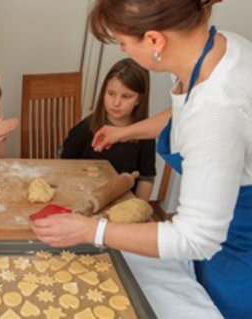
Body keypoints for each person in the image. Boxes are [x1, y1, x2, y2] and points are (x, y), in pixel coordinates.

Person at [32, 0, 252, 318]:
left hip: (240, 249)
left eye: (122, 42)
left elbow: (195, 238)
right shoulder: (219, 48)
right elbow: (186, 112)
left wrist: (91, 230)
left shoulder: (217, 107)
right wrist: (126, 132)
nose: (123, 50)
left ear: (154, 40)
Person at [61, 58, 155, 201]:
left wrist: (139, 209)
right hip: (84, 199)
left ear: (139, 99)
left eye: (126, 96)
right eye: (111, 93)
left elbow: (146, 178)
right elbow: (65, 165)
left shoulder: (144, 134)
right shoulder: (85, 129)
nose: (116, 103)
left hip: (122, 204)